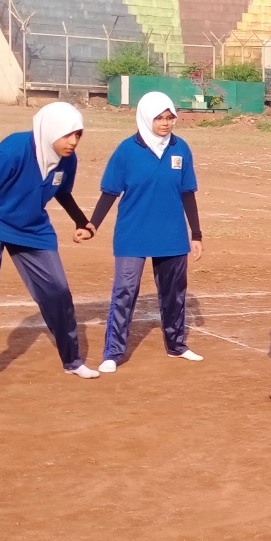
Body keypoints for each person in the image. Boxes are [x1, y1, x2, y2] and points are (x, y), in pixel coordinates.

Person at [0, 102, 102, 397]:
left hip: (33, 228)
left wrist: (81, 220)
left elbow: (62, 192)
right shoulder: (14, 149)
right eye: (68, 134)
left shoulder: (67, 160)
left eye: (78, 135)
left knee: (58, 291)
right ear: (51, 130)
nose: (73, 141)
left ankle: (72, 361)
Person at [89, 91, 205, 373]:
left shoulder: (181, 148)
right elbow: (109, 192)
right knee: (125, 292)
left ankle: (177, 345)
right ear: (145, 118)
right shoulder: (126, 150)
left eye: (169, 118)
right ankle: (113, 353)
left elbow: (188, 193)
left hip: (172, 233)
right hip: (133, 233)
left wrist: (196, 234)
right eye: (159, 118)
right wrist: (92, 225)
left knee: (174, 293)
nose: (165, 123)